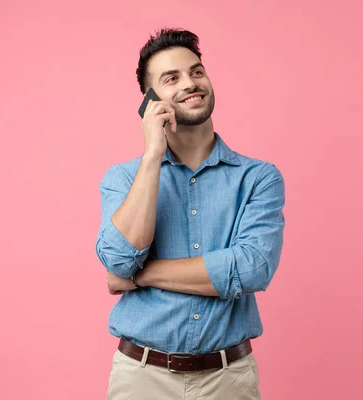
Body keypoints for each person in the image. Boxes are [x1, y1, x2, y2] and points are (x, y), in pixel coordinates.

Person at [95, 27, 285, 400]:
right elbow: (119, 260)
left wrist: (142, 274)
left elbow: (250, 268)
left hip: (229, 379)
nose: (190, 83)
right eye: (172, 78)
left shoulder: (258, 177)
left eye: (196, 71)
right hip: (142, 378)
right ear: (151, 101)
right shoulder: (123, 178)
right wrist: (152, 155)